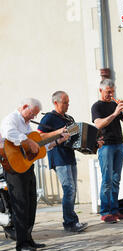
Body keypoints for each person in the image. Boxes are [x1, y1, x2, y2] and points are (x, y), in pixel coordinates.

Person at [0, 98, 70, 251]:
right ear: (24, 107)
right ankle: (21, 244)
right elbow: (8, 133)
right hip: (13, 168)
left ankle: (28, 239)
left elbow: (40, 146)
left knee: (31, 204)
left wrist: (58, 141)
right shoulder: (11, 119)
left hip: (26, 167)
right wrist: (26, 140)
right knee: (20, 206)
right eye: (32, 113)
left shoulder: (26, 124)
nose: (33, 117)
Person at [38, 91, 89, 233]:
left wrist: (92, 143)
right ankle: (69, 223)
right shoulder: (48, 118)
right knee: (69, 189)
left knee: (72, 190)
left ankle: (72, 220)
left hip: (70, 157)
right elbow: (40, 137)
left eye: (68, 102)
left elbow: (75, 137)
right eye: (65, 102)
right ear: (56, 103)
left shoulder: (68, 118)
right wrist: (59, 132)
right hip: (59, 158)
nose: (68, 105)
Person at [91, 79, 123, 223]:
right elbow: (99, 124)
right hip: (106, 145)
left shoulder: (115, 105)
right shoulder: (97, 106)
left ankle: (115, 211)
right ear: (100, 91)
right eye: (108, 92)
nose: (111, 94)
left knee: (116, 179)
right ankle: (105, 212)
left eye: (112, 91)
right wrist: (115, 113)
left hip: (118, 144)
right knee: (107, 180)